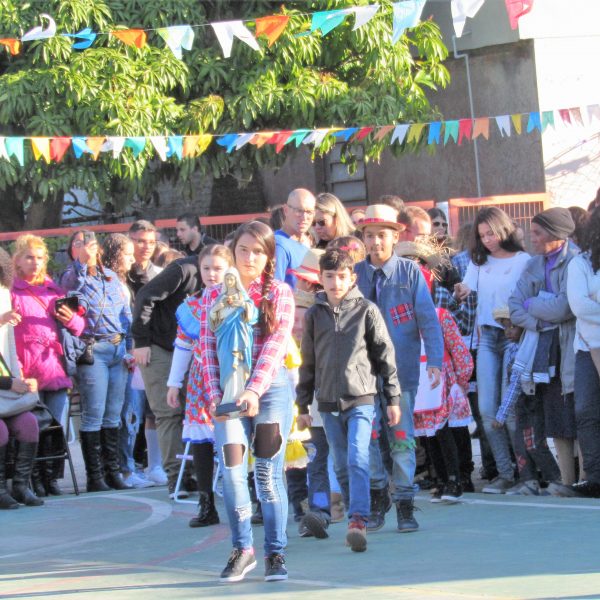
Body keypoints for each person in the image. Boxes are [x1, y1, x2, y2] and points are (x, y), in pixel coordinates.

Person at [199, 221, 294, 583]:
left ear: (269, 256)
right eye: (243, 249)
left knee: (267, 474)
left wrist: (253, 390)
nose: (250, 257)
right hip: (228, 394)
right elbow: (206, 348)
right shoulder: (213, 295)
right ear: (233, 251)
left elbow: (275, 347)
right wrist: (215, 395)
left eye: (258, 251)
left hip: (270, 391)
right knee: (233, 472)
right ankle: (243, 549)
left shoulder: (279, 292)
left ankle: (275, 552)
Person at [296, 249, 401, 552]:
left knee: (358, 457)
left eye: (342, 276)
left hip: (361, 398)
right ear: (320, 278)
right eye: (329, 276)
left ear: (352, 278)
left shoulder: (367, 310)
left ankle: (358, 519)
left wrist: (392, 398)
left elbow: (384, 356)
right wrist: (302, 405)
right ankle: (355, 507)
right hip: (328, 402)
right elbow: (308, 363)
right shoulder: (314, 315)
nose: (336, 282)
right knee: (341, 465)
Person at [354, 204, 443, 532]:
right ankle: (379, 495)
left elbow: (427, 318)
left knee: (402, 438)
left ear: (395, 237)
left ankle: (405, 502)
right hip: (363, 374)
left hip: (401, 371)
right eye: (369, 235)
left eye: (382, 235)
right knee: (370, 437)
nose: (375, 242)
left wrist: (435, 360)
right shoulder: (355, 275)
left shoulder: (409, 273)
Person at [454, 207, 530, 494]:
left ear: (503, 230)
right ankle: (505, 473)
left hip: (514, 337)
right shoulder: (478, 262)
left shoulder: (523, 261)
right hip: (486, 337)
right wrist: (461, 290)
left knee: (509, 411)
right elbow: (466, 288)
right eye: (482, 235)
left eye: (491, 233)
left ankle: (525, 473)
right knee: (486, 409)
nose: (487, 240)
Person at [509, 207, 580, 490]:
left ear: (555, 234)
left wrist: (533, 303)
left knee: (578, 416)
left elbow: (564, 307)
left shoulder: (575, 261)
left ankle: (585, 479)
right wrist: (540, 322)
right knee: (556, 419)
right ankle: (565, 481)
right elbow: (515, 306)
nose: (532, 238)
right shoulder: (532, 265)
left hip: (569, 350)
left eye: (537, 232)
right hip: (542, 351)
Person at [10, 234, 85, 497]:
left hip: (54, 368)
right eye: (29, 257)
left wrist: (70, 319)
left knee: (56, 428)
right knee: (32, 427)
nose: (35, 262)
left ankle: (51, 478)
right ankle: (33, 479)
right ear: (17, 260)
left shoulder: (54, 290)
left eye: (40, 258)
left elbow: (79, 327)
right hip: (26, 371)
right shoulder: (11, 292)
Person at [167, 244, 234, 527]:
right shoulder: (191, 306)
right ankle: (206, 504)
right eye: (206, 268)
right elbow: (183, 345)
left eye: (218, 268)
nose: (211, 274)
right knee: (202, 441)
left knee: (235, 437)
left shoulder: (237, 300)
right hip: (200, 378)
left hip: (231, 374)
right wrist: (174, 383)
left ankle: (248, 500)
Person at [61, 231, 133, 493]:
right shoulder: (71, 275)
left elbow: (125, 314)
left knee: (113, 413)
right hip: (94, 349)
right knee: (94, 413)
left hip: (117, 348)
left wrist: (130, 346)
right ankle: (95, 476)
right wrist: (82, 262)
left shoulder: (110, 277)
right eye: (79, 243)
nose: (86, 247)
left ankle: (113, 472)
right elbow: (71, 289)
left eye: (89, 243)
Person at [132, 251, 202, 498]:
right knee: (168, 411)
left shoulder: (230, 277)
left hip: (191, 347)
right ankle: (177, 477)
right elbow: (145, 295)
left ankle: (196, 473)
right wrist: (141, 341)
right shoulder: (184, 270)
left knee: (194, 412)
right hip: (159, 345)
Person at [102, 233, 154, 489]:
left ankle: (128, 466)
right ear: (114, 255)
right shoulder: (107, 281)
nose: (133, 260)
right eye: (128, 254)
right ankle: (122, 469)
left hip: (130, 351)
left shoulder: (126, 281)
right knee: (122, 414)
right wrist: (128, 349)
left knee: (132, 413)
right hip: (119, 352)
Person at [0, 246, 42, 509]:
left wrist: (22, 379)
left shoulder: (4, 293)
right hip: (4, 386)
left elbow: (10, 350)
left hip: (7, 388)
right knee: (0, 432)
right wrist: (8, 383)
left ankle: (20, 486)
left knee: (29, 424)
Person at [127, 221, 167, 487]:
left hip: (152, 347)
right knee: (129, 413)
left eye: (151, 242)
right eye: (140, 241)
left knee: (155, 410)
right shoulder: (121, 273)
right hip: (127, 348)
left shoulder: (160, 274)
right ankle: (128, 467)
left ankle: (156, 465)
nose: (146, 247)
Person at [567, 207, 600, 497]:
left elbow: (590, 307)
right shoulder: (580, 263)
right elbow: (579, 306)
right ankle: (595, 477)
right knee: (587, 411)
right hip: (588, 349)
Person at [274, 189, 315, 289]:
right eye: (299, 211)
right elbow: (274, 289)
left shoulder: (306, 243)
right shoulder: (279, 245)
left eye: (309, 212)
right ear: (286, 210)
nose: (304, 217)